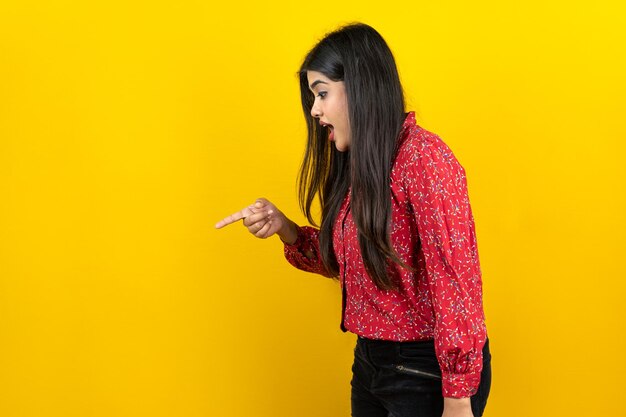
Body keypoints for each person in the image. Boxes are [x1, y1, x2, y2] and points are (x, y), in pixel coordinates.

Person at [215, 23, 491, 417]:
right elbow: (350, 264)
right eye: (314, 97)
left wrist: (459, 397)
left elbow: (455, 281)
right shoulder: (360, 167)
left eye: (322, 93)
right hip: (370, 364)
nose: (315, 111)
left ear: (360, 87)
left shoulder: (424, 159)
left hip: (426, 370)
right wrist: (285, 228)